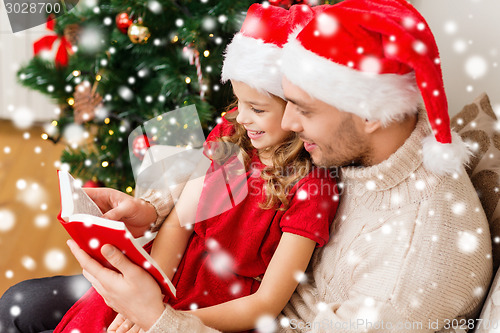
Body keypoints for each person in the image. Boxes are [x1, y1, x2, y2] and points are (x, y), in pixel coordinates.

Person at [63, 0, 493, 332]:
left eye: (301, 110)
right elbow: (224, 184)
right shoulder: (350, 144)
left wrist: (158, 317)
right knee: (25, 302)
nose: (286, 125)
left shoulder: (410, 272)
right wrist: (153, 210)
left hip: (212, 314)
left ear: (370, 113)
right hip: (192, 293)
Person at [0, 4, 337, 333]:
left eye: (258, 109)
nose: (242, 117)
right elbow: (179, 223)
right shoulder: (231, 137)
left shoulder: (313, 187)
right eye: (239, 102)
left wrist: (161, 319)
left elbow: (264, 305)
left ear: (298, 107)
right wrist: (152, 292)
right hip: (170, 273)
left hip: (221, 310)